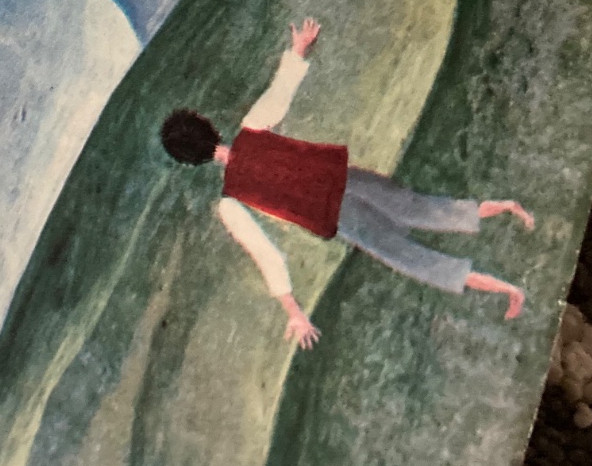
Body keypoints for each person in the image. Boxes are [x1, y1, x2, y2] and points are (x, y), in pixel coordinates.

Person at [159, 18, 531, 348]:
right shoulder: (252, 127)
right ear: (209, 126)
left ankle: (509, 290)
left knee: (412, 258)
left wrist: (295, 312)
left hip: (341, 218)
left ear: (189, 161)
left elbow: (267, 256)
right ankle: (509, 208)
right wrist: (298, 48)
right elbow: (281, 92)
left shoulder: (230, 202)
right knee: (426, 209)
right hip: (351, 179)